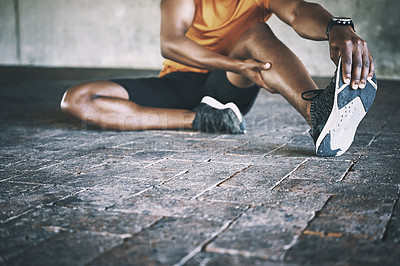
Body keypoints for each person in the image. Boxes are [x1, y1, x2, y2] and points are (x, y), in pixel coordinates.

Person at [60, 0, 377, 157]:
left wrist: (336, 27)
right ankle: (202, 120)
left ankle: (319, 114)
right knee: (77, 99)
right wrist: (236, 65)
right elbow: (171, 42)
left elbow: (296, 10)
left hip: (228, 84)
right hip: (179, 82)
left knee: (256, 33)